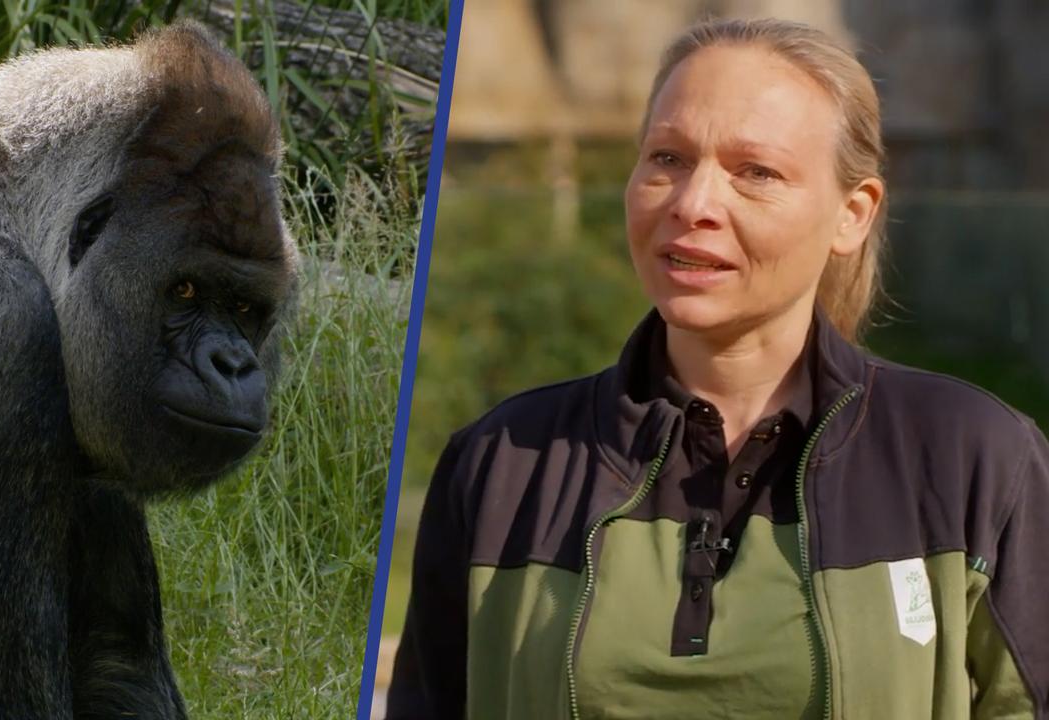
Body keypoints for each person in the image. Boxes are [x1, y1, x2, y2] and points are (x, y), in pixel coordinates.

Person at [387, 17, 1049, 720]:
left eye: (754, 172)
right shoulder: (501, 467)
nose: (693, 204)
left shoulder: (972, 459)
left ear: (852, 215)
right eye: (667, 159)